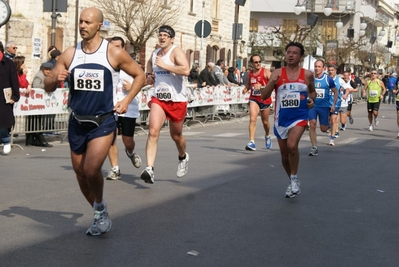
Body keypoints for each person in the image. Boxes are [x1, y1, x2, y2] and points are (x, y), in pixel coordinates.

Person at [44, 7, 145, 236]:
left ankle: (99, 205)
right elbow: (47, 86)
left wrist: (127, 100)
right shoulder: (70, 54)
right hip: (77, 121)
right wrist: (54, 79)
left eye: (88, 22)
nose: (82, 25)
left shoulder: (113, 53)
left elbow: (139, 74)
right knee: (80, 172)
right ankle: (99, 210)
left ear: (99, 25)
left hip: (104, 121)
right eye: (80, 21)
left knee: (91, 169)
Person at [261, 42, 316, 198]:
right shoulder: (277, 73)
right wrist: (272, 82)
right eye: (289, 52)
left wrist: (312, 101)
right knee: (284, 156)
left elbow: (312, 94)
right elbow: (264, 96)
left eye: (295, 53)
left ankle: (293, 179)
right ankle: (293, 180)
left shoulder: (307, 75)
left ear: (300, 57)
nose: (291, 55)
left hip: (299, 117)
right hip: (281, 119)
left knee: (292, 146)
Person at [141, 25, 190, 184]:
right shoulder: (155, 53)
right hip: (159, 98)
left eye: (165, 36)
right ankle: (150, 169)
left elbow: (186, 70)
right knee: (153, 131)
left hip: (177, 100)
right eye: (160, 35)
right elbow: (149, 62)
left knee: (176, 135)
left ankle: (183, 157)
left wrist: (165, 65)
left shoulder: (176, 51)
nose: (162, 38)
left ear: (171, 38)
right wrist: (149, 74)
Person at [105, 36, 142, 180]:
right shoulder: (106, 65)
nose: (115, 49)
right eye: (112, 46)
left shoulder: (130, 64)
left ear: (123, 48)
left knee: (128, 141)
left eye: (117, 46)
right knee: (110, 138)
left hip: (128, 107)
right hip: (111, 107)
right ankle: (115, 169)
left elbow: (143, 80)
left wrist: (132, 87)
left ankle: (131, 152)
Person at [243, 54, 272, 151]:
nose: (258, 63)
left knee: (265, 122)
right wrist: (245, 89)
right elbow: (248, 84)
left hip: (265, 99)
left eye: (259, 61)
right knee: (252, 119)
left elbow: (273, 85)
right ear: (252, 63)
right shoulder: (250, 73)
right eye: (256, 62)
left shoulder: (266, 72)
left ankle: (267, 135)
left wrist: (262, 87)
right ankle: (252, 142)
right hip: (254, 98)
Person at [308, 60, 337, 155]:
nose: (317, 68)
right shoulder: (310, 78)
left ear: (323, 68)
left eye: (319, 66)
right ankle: (314, 147)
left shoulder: (328, 79)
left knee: (323, 129)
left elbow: (335, 92)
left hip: (324, 107)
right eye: (315, 66)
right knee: (312, 124)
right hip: (313, 106)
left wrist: (333, 104)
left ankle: (328, 126)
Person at [0, 41, 20, 154]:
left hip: (4, 97)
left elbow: (14, 80)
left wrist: (15, 96)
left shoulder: (8, 63)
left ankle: (6, 141)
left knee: (3, 122)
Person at [30, 61, 55, 146]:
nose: (48, 71)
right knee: (36, 121)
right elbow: (36, 86)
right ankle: (37, 138)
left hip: (43, 103)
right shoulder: (39, 75)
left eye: (49, 70)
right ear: (43, 69)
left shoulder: (48, 76)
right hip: (36, 102)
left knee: (39, 121)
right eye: (46, 70)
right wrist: (47, 86)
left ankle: (36, 138)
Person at [327, 64, 344, 145]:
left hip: (335, 103)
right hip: (325, 104)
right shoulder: (325, 79)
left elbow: (347, 88)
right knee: (328, 121)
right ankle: (329, 128)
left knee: (333, 120)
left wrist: (345, 93)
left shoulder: (339, 80)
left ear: (335, 71)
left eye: (332, 70)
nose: (330, 72)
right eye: (329, 70)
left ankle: (332, 139)